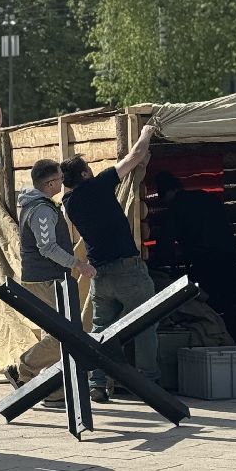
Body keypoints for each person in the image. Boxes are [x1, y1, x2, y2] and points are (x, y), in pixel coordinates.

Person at [59, 125, 159, 402]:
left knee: (100, 331)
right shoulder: (99, 184)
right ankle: (149, 383)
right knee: (145, 326)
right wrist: (147, 132)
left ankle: (98, 383)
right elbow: (135, 156)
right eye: (87, 168)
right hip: (129, 271)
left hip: (100, 275)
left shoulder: (68, 202)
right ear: (84, 174)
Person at [11, 159, 96, 403]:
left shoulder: (40, 205)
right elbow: (47, 247)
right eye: (59, 179)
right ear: (50, 184)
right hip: (44, 279)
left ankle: (52, 388)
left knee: (62, 333)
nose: (62, 182)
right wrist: (77, 264)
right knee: (64, 334)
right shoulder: (41, 210)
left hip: (49, 278)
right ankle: (23, 370)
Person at [154, 171, 236, 338]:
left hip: (206, 261)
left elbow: (166, 245)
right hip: (229, 256)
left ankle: (216, 341)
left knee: (206, 306)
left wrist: (156, 265)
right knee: (230, 305)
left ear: (165, 193)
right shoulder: (208, 198)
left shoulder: (176, 207)